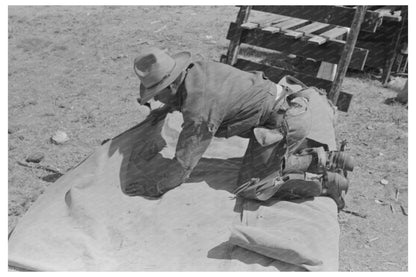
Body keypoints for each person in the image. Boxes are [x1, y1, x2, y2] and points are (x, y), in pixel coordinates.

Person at [131, 47, 342, 204]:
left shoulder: (200, 109)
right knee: (265, 164)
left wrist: (156, 186)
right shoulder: (197, 71)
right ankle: (327, 159)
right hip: (288, 109)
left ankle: (325, 182)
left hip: (284, 123)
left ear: (171, 85)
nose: (158, 100)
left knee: (251, 187)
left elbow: (184, 163)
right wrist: (166, 109)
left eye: (158, 94)